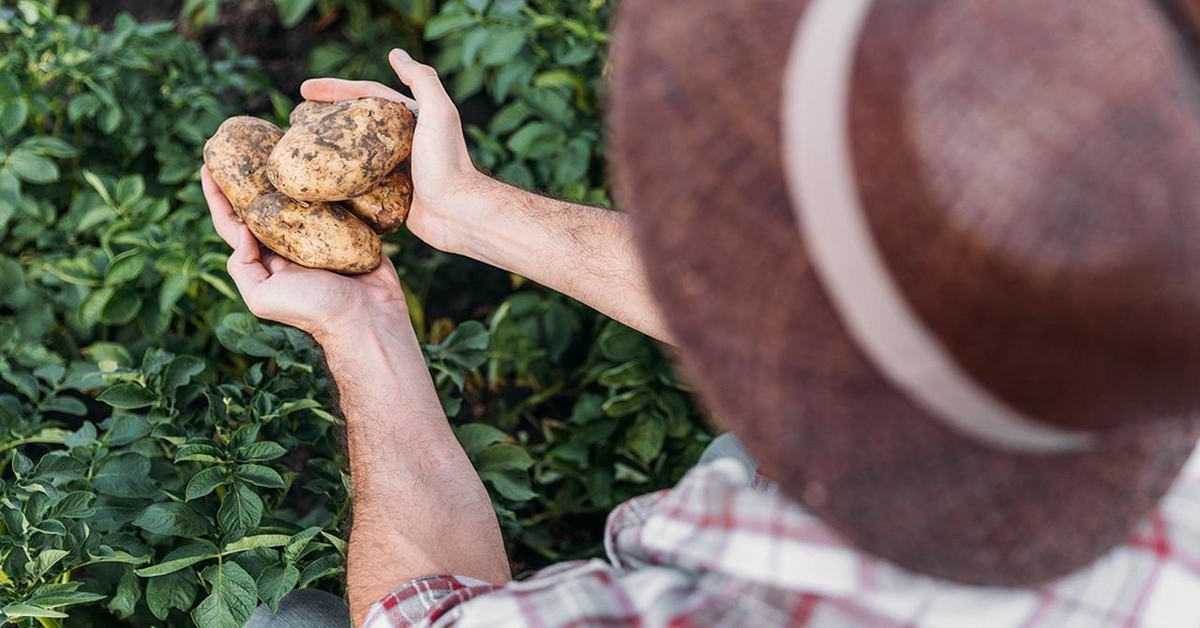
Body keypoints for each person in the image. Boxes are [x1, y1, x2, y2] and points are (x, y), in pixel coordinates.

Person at [206, 0, 1200, 626]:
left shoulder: (751, 598)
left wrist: (362, 325)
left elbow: (419, 611)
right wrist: (467, 212)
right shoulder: (1136, 289)